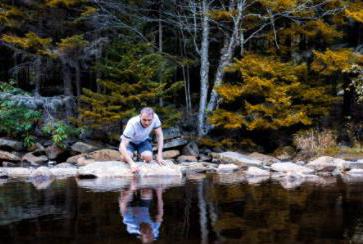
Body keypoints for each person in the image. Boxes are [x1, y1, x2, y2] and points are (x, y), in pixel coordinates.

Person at [119, 107, 166, 173]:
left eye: (149, 120)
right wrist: (132, 164)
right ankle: (132, 156)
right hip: (130, 142)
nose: (147, 123)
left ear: (152, 117)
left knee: (148, 157)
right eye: (144, 120)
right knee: (125, 159)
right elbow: (122, 146)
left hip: (143, 141)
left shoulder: (155, 117)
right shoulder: (132, 123)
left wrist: (159, 156)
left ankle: (139, 155)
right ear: (140, 116)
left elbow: (159, 135)